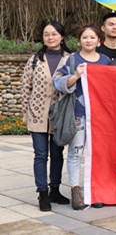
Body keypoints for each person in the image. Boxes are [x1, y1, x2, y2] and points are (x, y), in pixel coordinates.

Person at [53, 26, 111, 210]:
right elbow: (58, 82)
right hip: (77, 114)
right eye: (85, 37)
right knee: (75, 152)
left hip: (100, 117)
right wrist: (76, 75)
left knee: (98, 153)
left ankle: (95, 190)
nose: (88, 40)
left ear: (99, 41)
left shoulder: (106, 61)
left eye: (92, 37)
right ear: (79, 41)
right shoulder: (71, 59)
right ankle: (75, 190)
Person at [21, 21, 71, 211]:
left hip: (60, 115)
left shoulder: (70, 59)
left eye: (54, 34)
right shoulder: (34, 60)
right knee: (40, 155)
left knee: (57, 154)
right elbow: (25, 88)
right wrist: (25, 112)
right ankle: (42, 192)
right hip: (37, 114)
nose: (50, 37)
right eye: (46, 34)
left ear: (62, 36)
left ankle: (55, 190)